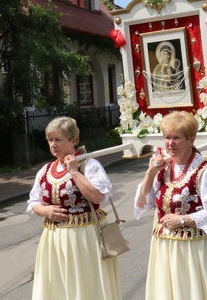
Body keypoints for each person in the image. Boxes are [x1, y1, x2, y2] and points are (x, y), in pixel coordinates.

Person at [134, 111, 207, 300]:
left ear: (191, 140)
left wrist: (182, 219)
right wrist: (150, 172)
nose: (170, 143)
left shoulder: (206, 170)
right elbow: (142, 203)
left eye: (177, 138)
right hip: (165, 246)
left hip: (195, 248)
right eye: (167, 137)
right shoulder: (163, 168)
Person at [27, 117, 121, 299]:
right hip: (54, 240)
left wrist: (74, 172)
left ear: (73, 140)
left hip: (85, 238)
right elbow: (33, 202)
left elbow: (98, 196)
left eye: (58, 139)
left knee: (86, 284)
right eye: (50, 140)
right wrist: (45, 211)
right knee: (59, 286)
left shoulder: (89, 165)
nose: (53, 144)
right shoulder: (45, 170)